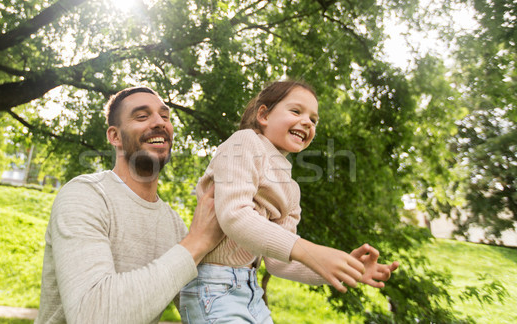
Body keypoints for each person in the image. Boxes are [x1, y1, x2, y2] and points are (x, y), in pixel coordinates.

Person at [179, 80, 400, 323]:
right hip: (214, 289)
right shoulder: (243, 143)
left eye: (314, 120)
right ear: (263, 115)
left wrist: (344, 268)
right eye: (296, 111)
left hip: (251, 293)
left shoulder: (291, 190)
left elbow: (278, 263)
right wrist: (311, 250)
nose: (307, 122)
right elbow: (235, 216)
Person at [35, 86, 224, 324]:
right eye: (142, 116)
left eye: (165, 116)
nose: (160, 122)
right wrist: (196, 242)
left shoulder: (173, 225)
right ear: (115, 136)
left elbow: (205, 313)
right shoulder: (86, 195)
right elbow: (93, 316)